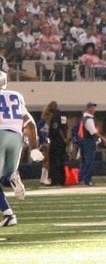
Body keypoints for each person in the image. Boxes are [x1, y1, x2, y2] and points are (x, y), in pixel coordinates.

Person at [0, 64, 42, 225]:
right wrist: (34, 148)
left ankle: (9, 215)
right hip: (16, 137)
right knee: (5, 175)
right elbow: (30, 124)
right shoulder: (16, 96)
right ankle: (12, 178)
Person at [43, 103, 67, 187]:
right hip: (62, 143)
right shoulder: (63, 115)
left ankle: (55, 180)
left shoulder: (55, 116)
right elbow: (65, 128)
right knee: (61, 161)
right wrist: (65, 139)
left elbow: (57, 128)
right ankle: (62, 180)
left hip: (56, 141)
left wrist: (63, 138)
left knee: (55, 161)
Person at [76, 103, 99, 186]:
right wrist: (103, 138)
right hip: (88, 140)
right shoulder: (88, 119)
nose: (94, 109)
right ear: (88, 108)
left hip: (83, 140)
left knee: (84, 161)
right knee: (89, 161)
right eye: (92, 107)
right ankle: (87, 179)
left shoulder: (83, 118)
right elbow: (93, 132)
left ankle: (81, 178)